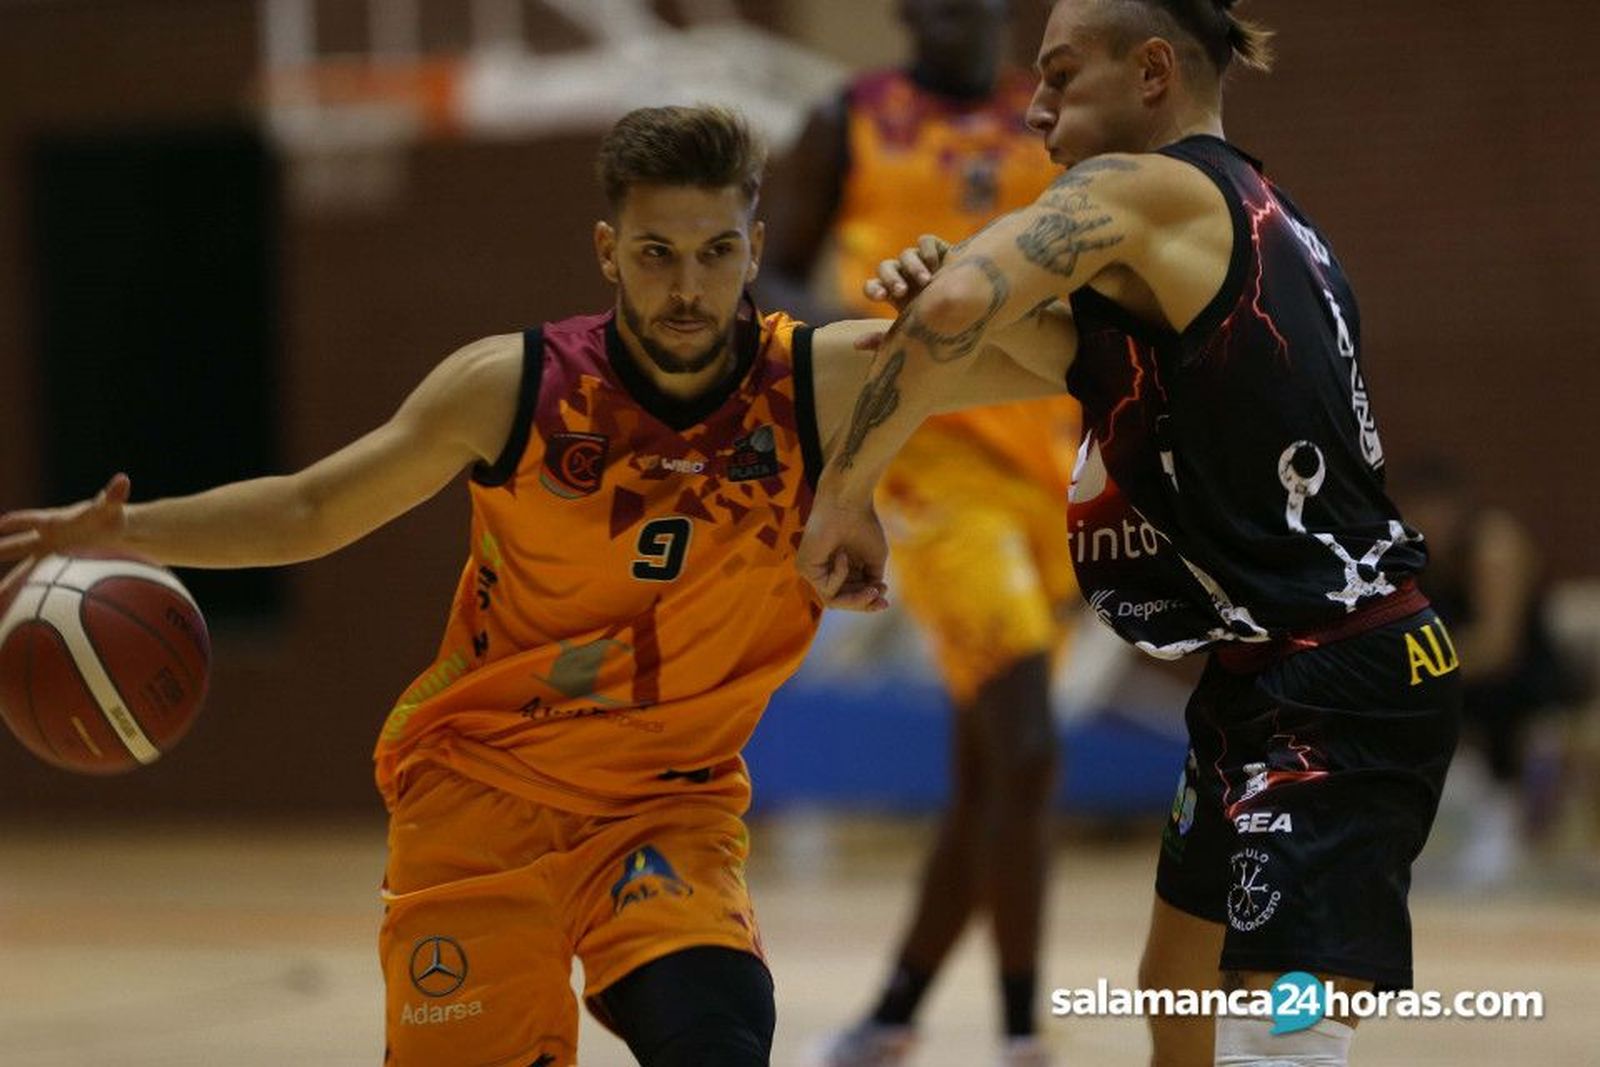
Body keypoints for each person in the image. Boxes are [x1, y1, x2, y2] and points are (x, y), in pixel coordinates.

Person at [0, 106, 1065, 1067]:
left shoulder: (825, 380)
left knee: (721, 1039)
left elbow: (1065, 364)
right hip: (477, 796)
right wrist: (124, 530)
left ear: (752, 254)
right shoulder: (509, 388)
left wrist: (969, 290)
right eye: (655, 253)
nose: (686, 286)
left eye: (714, 252)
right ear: (607, 251)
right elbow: (310, 509)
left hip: (663, 806)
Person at [796, 3, 1462, 1065]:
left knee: (1276, 1034)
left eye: (1060, 76)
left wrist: (843, 494)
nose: (1037, 108)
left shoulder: (1140, 185)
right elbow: (978, 343)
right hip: (1261, 670)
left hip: (1345, 674)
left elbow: (967, 299)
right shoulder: (1237, 213)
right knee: (1176, 994)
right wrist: (912, 330)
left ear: (1152, 71)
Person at [762, 3, 1078, 1063]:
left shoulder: (1050, 123)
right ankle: (1025, 1033)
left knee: (989, 772)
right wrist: (848, 351)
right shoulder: (847, 119)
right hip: (929, 472)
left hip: (1053, 472)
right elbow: (769, 274)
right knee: (1028, 747)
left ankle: (891, 1015)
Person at [1400, 457, 1585, 888]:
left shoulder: (1493, 544)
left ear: (1457, 509)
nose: (1428, 523)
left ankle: (1526, 830)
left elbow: (1497, 647)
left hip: (1523, 689)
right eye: (1416, 514)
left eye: (1435, 511)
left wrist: (1406, 670)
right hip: (1459, 690)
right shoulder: (1414, 560)